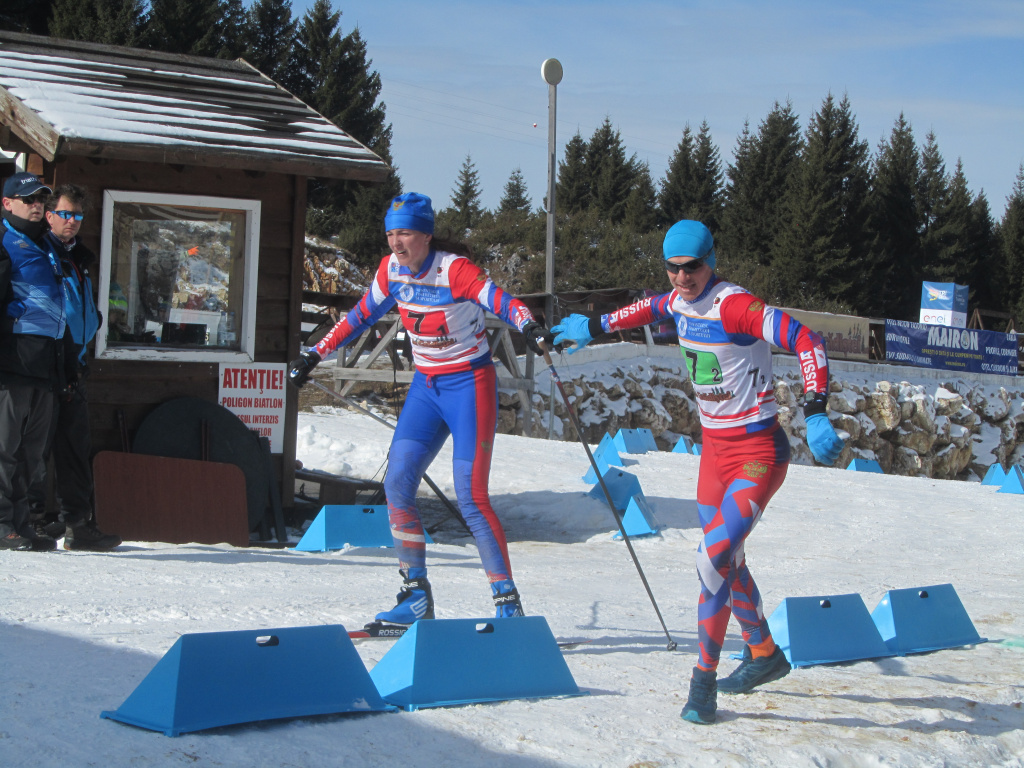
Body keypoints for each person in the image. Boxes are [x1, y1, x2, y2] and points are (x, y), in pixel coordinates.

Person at [551, 219, 845, 725]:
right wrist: (593, 327)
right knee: (728, 562)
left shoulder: (734, 305)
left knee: (711, 561)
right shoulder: (677, 300)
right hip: (714, 455)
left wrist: (815, 407)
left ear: (713, 261)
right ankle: (764, 654)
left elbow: (807, 340)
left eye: (694, 267)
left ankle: (702, 682)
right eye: (673, 268)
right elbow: (645, 308)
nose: (683, 278)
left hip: (757, 453)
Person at [288, 192, 552, 627]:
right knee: (397, 483)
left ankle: (507, 604)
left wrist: (531, 325)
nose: (396, 243)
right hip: (427, 390)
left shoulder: (454, 270)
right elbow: (359, 315)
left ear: (426, 236)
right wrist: (315, 354)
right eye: (391, 234)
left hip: (469, 386)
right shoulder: (390, 271)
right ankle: (415, 595)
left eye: (405, 233)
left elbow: (501, 300)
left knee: (471, 497)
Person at [30, 184, 121, 551]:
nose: (72, 222)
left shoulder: (79, 257)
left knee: (74, 448)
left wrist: (95, 320)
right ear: (49, 214)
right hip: (47, 365)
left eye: (78, 216)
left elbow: (82, 310)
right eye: (65, 214)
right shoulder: (38, 251)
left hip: (77, 363)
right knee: (35, 449)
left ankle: (77, 524)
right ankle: (33, 520)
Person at [0, 172, 75, 551]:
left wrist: (67, 367)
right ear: (7, 203)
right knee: (3, 448)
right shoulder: (3, 242)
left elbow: (60, 309)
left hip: (45, 364)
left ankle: (20, 522)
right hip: (11, 364)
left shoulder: (48, 245)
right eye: (28, 199)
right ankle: (1, 524)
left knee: (31, 453)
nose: (36, 205)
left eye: (41, 200)